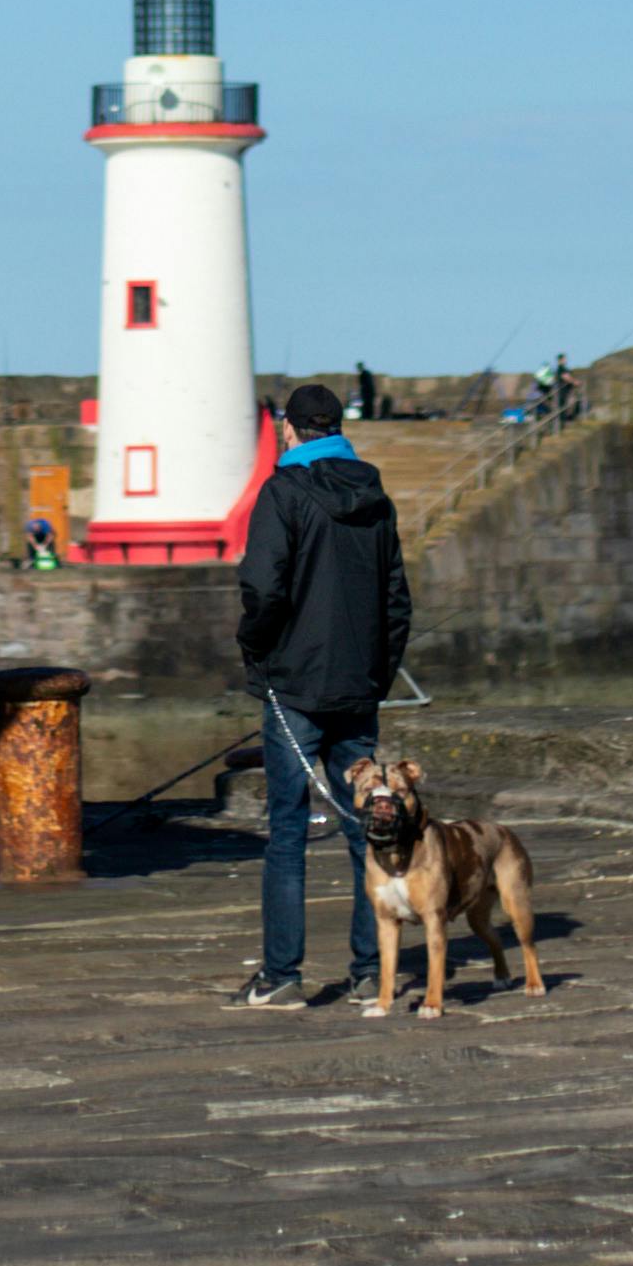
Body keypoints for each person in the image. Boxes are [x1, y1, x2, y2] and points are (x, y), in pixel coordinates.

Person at [229, 379, 411, 1009]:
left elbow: (264, 587)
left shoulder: (282, 491)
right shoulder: (375, 495)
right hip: (357, 682)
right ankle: (368, 970)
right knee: (365, 827)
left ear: (289, 428)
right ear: (337, 427)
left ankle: (282, 974)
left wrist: (255, 646)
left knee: (287, 832)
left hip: (296, 683)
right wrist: (378, 675)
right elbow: (395, 600)